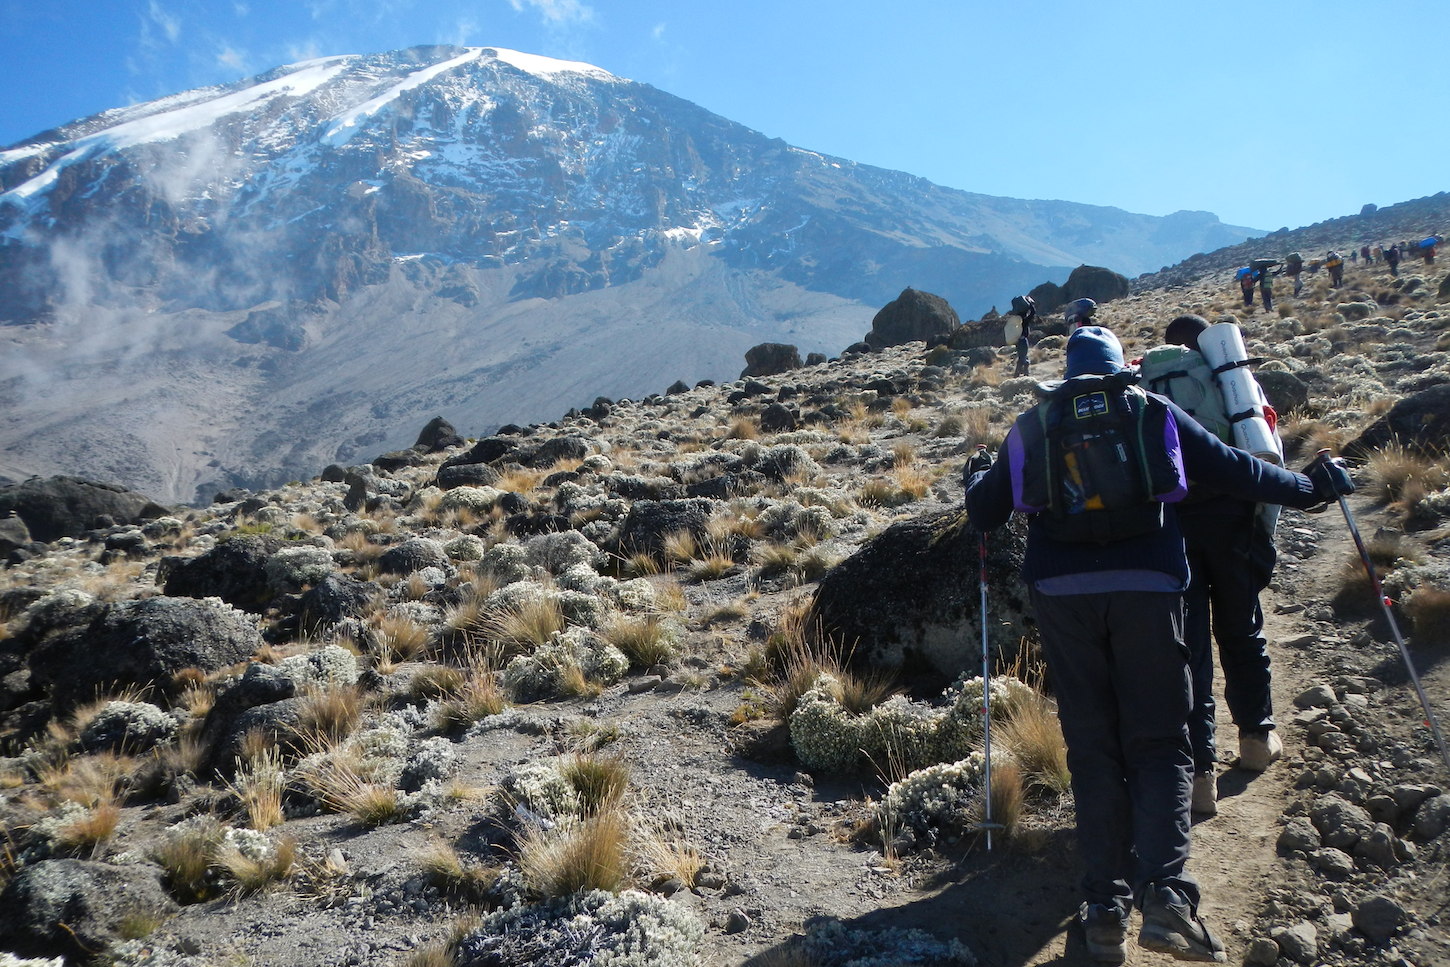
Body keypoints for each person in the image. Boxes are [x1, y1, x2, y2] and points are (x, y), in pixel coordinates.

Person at [965, 326, 1353, 965]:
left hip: (1062, 599)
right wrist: (1311, 489)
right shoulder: (1151, 411)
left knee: (1092, 748)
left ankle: (1103, 910)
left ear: (1066, 376)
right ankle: (1169, 898)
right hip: (1149, 591)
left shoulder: (1032, 425)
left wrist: (979, 475)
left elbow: (984, 515)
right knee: (1160, 742)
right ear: (1122, 370)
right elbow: (1236, 470)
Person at [1156, 315, 1284, 817]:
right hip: (1233, 523)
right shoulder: (1233, 384)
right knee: (1242, 630)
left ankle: (1200, 775)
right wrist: (1263, 538)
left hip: (1174, 530)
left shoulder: (1147, 387)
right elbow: (1266, 458)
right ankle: (1255, 739)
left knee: (1187, 653)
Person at [1012, 294, 1037, 377]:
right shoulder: (1024, 320)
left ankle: (1019, 375)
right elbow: (1033, 313)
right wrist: (1031, 304)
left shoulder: (1017, 320)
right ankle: (1023, 375)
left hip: (1018, 341)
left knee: (1021, 357)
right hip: (1023, 341)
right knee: (1023, 359)